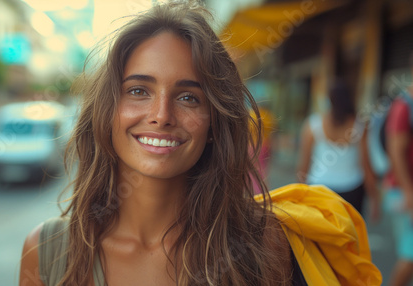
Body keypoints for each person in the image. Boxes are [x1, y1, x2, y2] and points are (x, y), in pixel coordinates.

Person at [19, 2, 381, 285]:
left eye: (189, 97)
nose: (161, 115)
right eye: (139, 91)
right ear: (106, 112)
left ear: (214, 123)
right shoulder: (47, 253)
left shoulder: (262, 241)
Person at [297, 79, 381, 219]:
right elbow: (366, 166)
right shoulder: (359, 126)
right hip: (352, 192)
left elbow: (303, 166)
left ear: (328, 99)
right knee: (350, 236)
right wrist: (374, 199)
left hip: (319, 190)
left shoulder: (312, 125)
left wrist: (298, 195)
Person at [383, 53, 413, 286]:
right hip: (403, 191)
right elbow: (396, 151)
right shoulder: (404, 105)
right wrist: (408, 191)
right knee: (410, 255)